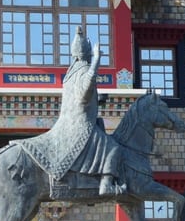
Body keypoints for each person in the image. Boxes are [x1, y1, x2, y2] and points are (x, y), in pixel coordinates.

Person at [17, 27, 124, 196]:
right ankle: (106, 185)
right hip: (80, 128)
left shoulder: (69, 75)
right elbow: (84, 92)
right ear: (86, 55)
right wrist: (97, 60)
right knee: (113, 147)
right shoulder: (83, 71)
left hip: (71, 122)